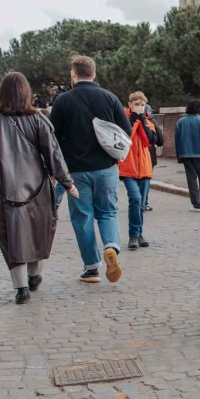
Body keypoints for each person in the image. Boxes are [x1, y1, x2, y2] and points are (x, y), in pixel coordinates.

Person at [0, 73, 77, 304]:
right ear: (27, 93)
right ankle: (34, 275)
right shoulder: (38, 119)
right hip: (36, 188)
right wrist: (67, 182)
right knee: (36, 231)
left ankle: (20, 288)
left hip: (2, 188)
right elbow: (53, 153)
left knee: (10, 234)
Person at [48, 55, 130, 283]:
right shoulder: (109, 98)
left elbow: (52, 138)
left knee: (82, 217)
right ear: (94, 73)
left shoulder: (63, 101)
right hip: (106, 168)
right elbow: (126, 132)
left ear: (73, 74)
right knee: (108, 212)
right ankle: (111, 246)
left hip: (75, 171)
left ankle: (92, 267)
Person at [119, 91, 160, 250]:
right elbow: (126, 138)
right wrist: (134, 121)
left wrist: (142, 120)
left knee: (141, 204)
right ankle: (133, 235)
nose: (139, 107)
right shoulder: (123, 119)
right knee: (135, 199)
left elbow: (149, 141)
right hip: (128, 168)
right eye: (136, 104)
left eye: (142, 105)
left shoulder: (147, 120)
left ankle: (139, 233)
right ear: (130, 104)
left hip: (144, 168)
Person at [173, 100, 200, 212]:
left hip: (186, 154)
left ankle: (196, 205)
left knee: (191, 179)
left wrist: (179, 156)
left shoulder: (181, 122)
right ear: (199, 109)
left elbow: (176, 139)